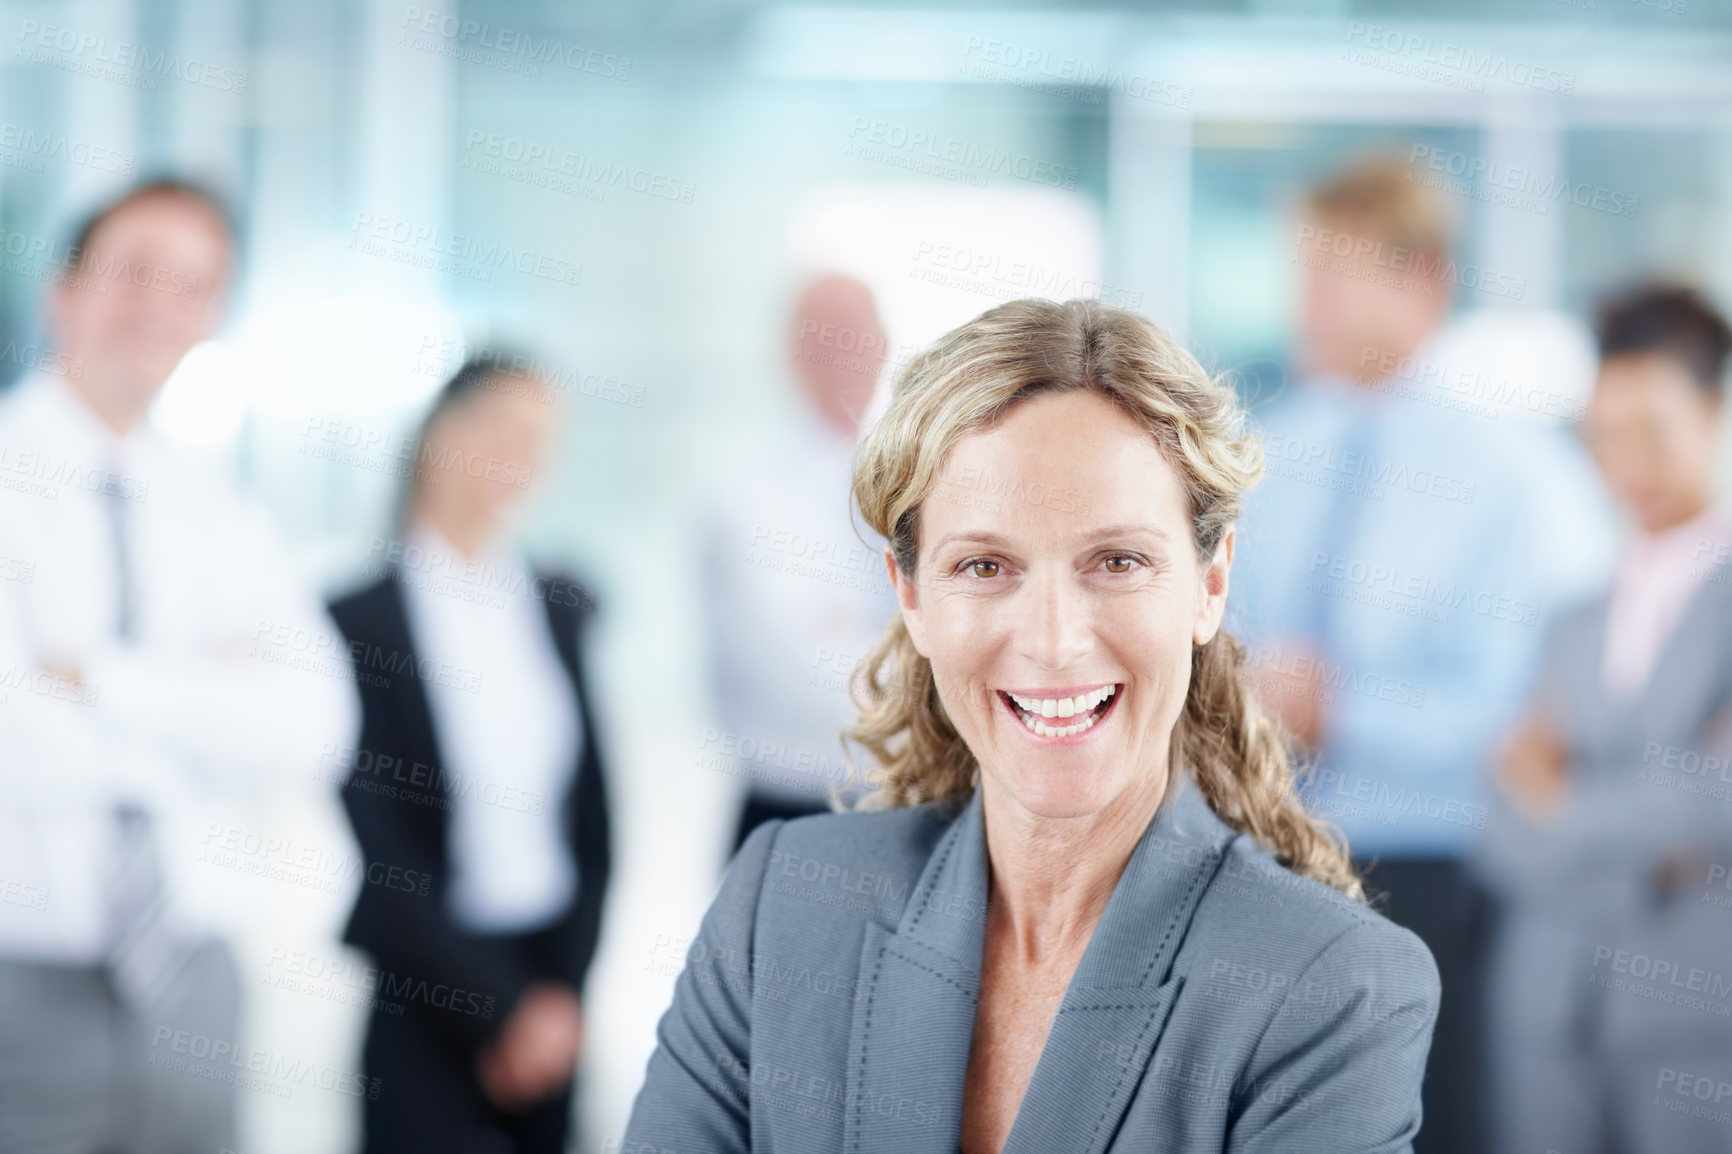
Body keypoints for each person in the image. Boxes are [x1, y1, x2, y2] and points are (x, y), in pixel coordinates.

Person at [622, 298, 1441, 1153]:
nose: (1053, 641)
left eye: (1117, 562)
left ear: (1210, 582)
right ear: (912, 598)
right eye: (984, 565)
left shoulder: (1333, 989)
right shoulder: (780, 911)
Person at [1229, 154, 1613, 1153]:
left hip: (1438, 878)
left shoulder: (1518, 479)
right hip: (1274, 859)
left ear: (1422, 280)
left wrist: (1342, 709)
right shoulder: (1267, 452)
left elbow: (1534, 712)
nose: (1303, 300)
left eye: (1332, 271)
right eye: (1300, 269)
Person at [0, 180, 361, 1152]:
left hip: (196, 970)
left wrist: (100, 680)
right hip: (18, 967)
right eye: (134, 271)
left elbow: (316, 724)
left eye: (195, 285)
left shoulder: (224, 514)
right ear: (62, 289)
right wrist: (207, 709)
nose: (161, 305)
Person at [329, 350, 613, 1154]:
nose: (524, 458)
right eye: (505, 430)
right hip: (423, 986)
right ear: (438, 436)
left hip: (550, 978)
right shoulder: (359, 620)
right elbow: (384, 849)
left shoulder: (560, 605)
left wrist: (560, 995)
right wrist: (501, 1011)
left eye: (542, 439)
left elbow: (595, 822)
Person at [1474, 284, 1732, 1154]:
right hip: (1544, 1003)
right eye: (1605, 438)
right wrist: (1639, 841)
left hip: (1694, 1015)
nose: (1626, 466)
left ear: (1716, 410)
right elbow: (1500, 830)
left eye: (1652, 432)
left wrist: (1559, 801)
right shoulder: (1570, 620)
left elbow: (1713, 803)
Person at [700, 272, 902, 853]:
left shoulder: (910, 481)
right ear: (793, 354)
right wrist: (937, 682)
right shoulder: (745, 498)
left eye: (865, 333)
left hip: (913, 809)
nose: (852, 352)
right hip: (795, 813)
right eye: (830, 336)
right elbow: (802, 682)